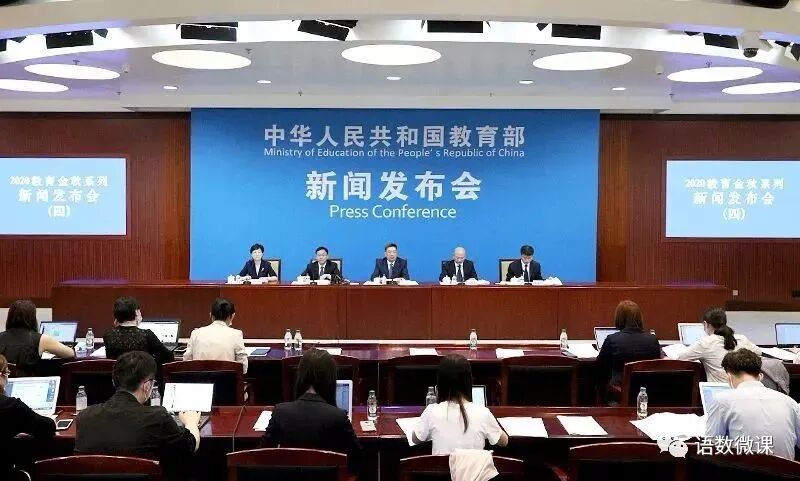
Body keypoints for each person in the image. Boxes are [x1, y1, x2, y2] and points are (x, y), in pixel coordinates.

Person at [75, 351, 200, 473]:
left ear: (114, 381)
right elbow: (189, 446)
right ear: (147, 386)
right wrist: (191, 423)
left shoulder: (84, 416)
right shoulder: (157, 417)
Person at [264, 349, 362, 473]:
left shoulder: (280, 412)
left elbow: (262, 454)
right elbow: (357, 458)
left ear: (300, 377)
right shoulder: (338, 416)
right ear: (331, 379)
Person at [706, 348, 800, 460]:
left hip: (743, 468)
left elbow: (711, 446)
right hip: (787, 470)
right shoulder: (790, 403)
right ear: (760, 376)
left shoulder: (722, 401)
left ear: (729, 376)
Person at [412, 354, 508, 454]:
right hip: (474, 465)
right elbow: (504, 441)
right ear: (468, 380)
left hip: (443, 465)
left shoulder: (431, 411)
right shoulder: (483, 413)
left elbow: (415, 438)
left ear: (441, 382)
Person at [595, 301, 661, 398]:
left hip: (619, 393)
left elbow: (600, 367)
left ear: (619, 318)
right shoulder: (653, 340)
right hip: (647, 393)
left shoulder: (612, 340)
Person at [677, 307, 761, 383]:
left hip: (718, 390)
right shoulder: (742, 339)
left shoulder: (706, 343)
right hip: (742, 388)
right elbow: (759, 352)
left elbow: (680, 358)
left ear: (706, 324)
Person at [0, 300, 74, 376]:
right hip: (31, 382)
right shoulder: (41, 339)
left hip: (3, 381)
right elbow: (70, 353)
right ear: (32, 318)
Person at [103, 297, 175, 365]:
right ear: (136, 312)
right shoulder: (146, 335)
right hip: (143, 374)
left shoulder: (108, 336)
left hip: (119, 374)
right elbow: (168, 357)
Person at [184, 298, 248, 374]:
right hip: (226, 381)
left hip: (200, 380)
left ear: (210, 315)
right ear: (232, 316)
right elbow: (243, 368)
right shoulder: (236, 334)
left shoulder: (196, 333)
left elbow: (186, 364)